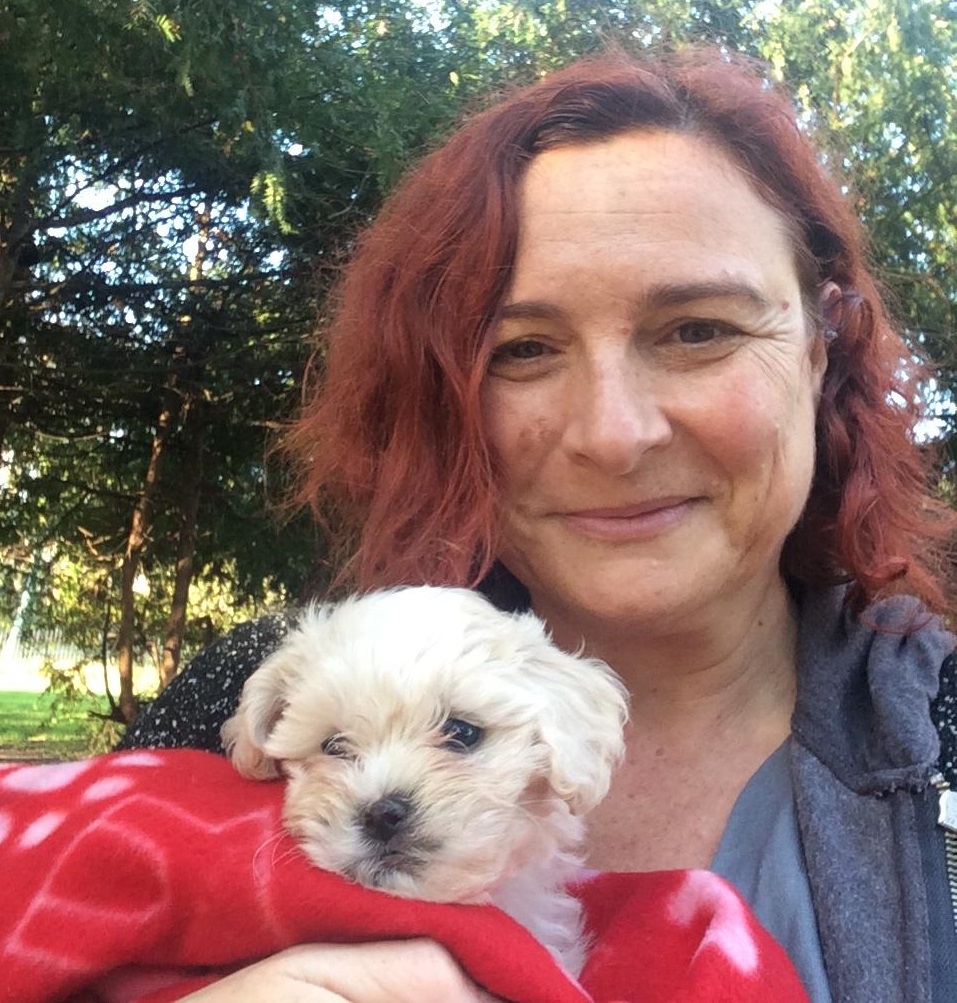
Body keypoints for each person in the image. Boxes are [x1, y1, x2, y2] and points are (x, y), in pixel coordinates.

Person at [119, 47, 957, 1001]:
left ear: (818, 348)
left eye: (698, 330)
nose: (614, 433)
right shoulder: (237, 697)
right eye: (522, 349)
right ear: (443, 397)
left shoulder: (943, 727)